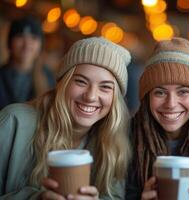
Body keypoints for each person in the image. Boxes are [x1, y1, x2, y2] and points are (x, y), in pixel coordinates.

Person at [0, 37, 132, 199]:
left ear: (115, 98)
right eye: (81, 82)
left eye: (105, 87)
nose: (90, 96)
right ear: (63, 83)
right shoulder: (13, 121)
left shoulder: (112, 142)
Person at [126, 37, 189, 200]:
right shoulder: (129, 135)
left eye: (183, 91)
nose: (171, 104)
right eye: (160, 92)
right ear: (147, 97)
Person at [0, 16, 55, 110]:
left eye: (33, 38)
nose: (27, 44)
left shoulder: (49, 79)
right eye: (20, 36)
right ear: (9, 43)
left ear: (41, 45)